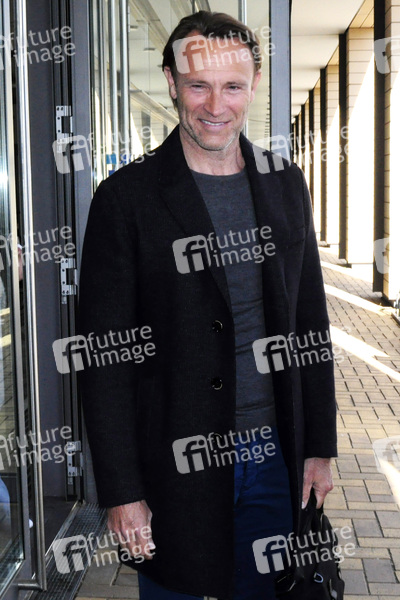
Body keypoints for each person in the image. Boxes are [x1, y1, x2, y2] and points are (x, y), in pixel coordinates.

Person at [79, 10, 337, 600]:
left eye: (232, 86)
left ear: (253, 85)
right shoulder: (125, 199)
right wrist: (122, 492)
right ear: (172, 83)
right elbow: (104, 361)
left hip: (275, 458)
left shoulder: (284, 183)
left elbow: (310, 323)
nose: (215, 106)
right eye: (198, 85)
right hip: (175, 465)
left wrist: (318, 447)